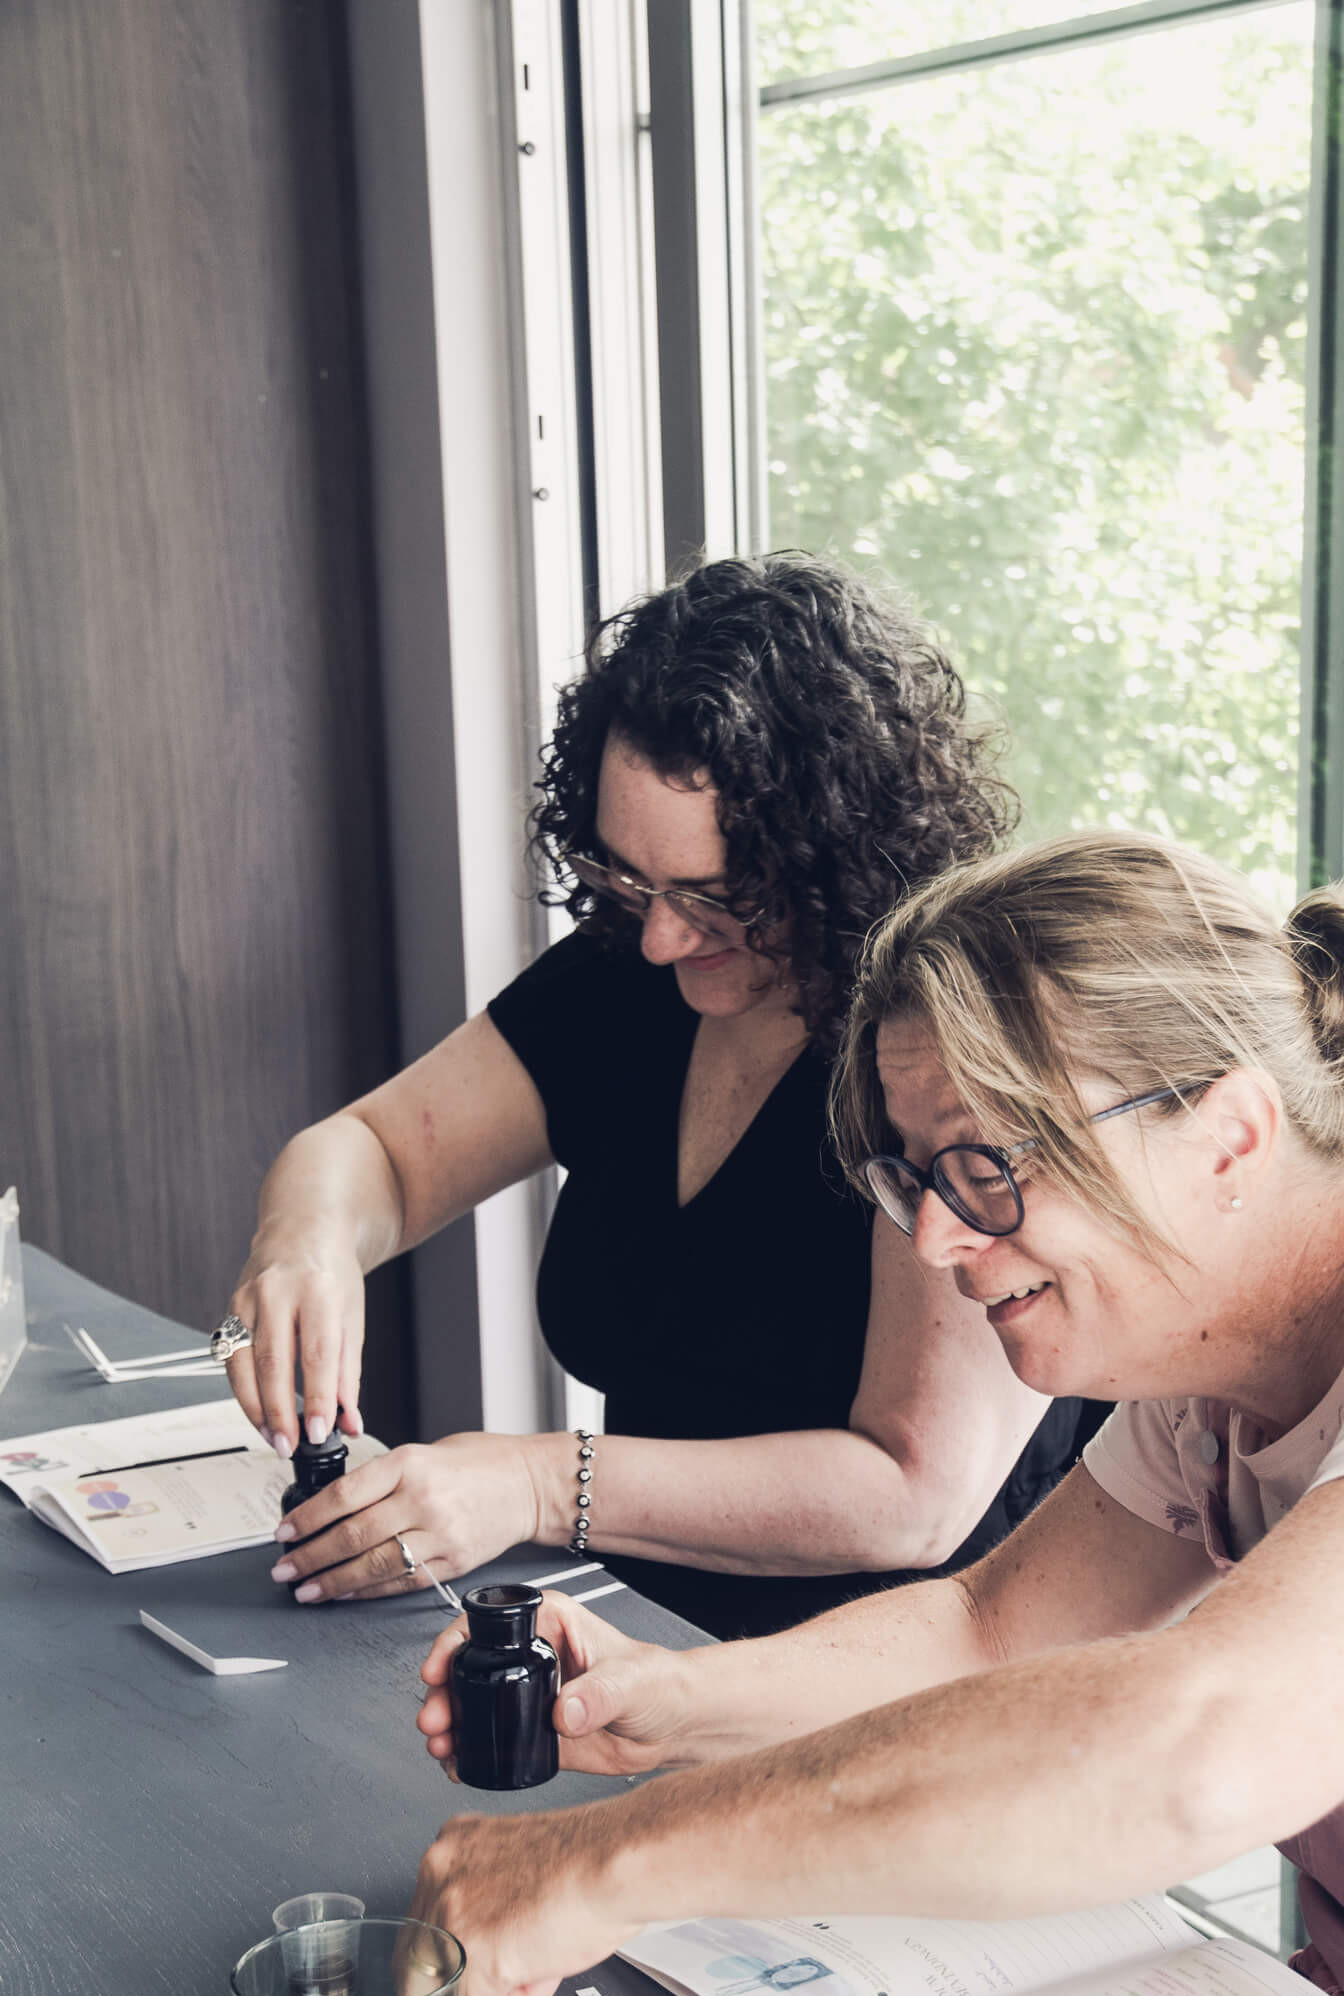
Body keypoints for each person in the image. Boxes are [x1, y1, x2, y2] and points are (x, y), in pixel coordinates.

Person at [411, 830, 1344, 1996]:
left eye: (985, 1170)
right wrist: (663, 1703)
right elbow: (993, 1629)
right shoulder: (1216, 1352)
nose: (933, 1241)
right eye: (918, 1178)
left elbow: (1205, 1744)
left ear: (1230, 1136)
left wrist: (609, 1865)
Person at [223, 555, 1096, 1639]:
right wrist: (302, 1244)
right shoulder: (635, 971)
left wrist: (537, 1486)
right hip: (644, 1632)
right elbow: (378, 1152)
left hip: (895, 1675)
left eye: (718, 899)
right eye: (627, 877)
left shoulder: (947, 1055)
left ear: (834, 859)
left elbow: (913, 1493)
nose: (660, 935)